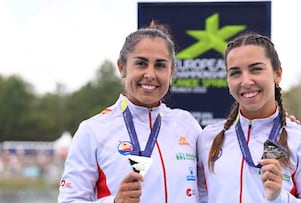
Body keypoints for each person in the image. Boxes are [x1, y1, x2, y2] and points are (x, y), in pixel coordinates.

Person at [57, 21, 202, 203]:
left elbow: (207, 191)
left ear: (171, 72)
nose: (150, 74)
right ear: (122, 67)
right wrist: (114, 202)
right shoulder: (93, 131)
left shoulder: (187, 124)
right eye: (141, 64)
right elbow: (69, 200)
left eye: (160, 65)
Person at [196, 32, 301, 203]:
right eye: (235, 73)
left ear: (277, 74)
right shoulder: (208, 138)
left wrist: (279, 198)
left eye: (256, 69)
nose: (246, 81)